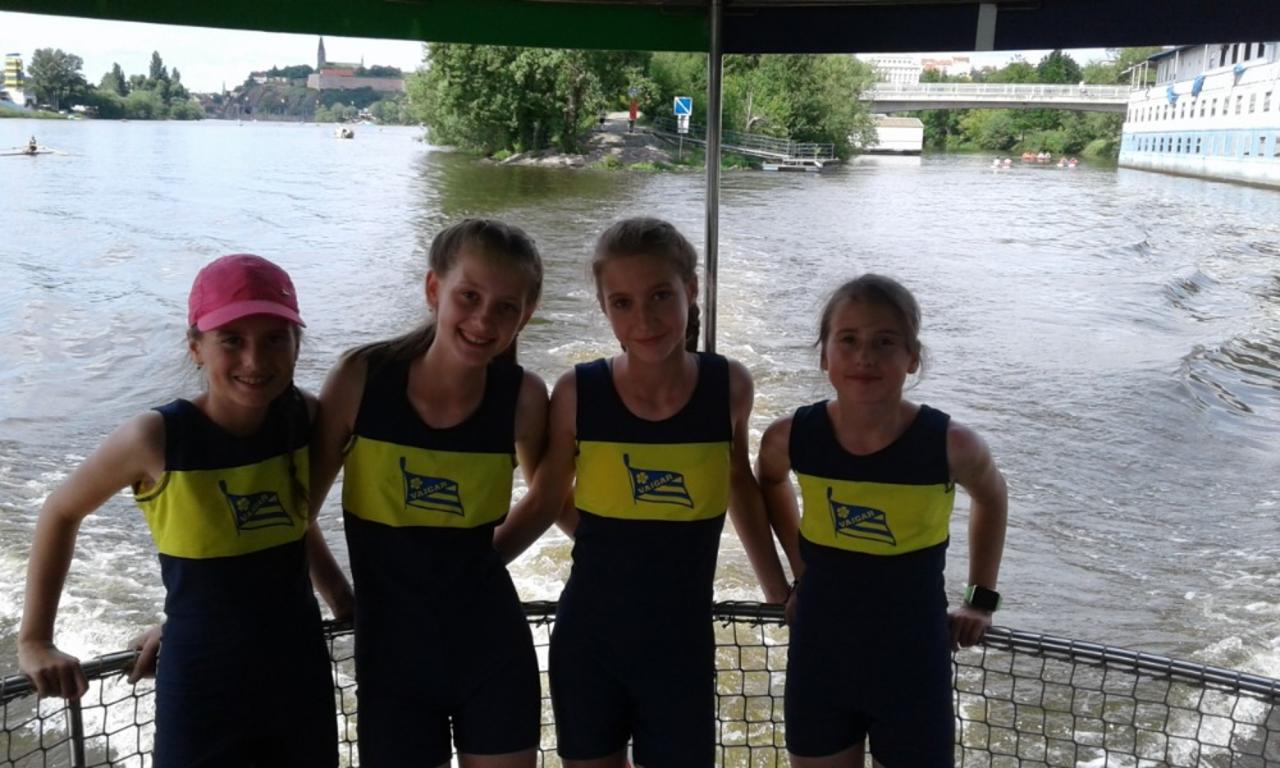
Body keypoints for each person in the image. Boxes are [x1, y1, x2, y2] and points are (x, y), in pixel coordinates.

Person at [18, 254, 351, 768]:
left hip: (299, 675)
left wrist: (345, 603)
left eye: (275, 339)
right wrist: (37, 640)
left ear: (296, 345)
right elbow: (60, 512)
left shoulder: (304, 418)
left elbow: (292, 522)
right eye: (232, 340)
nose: (255, 361)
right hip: (201, 685)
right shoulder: (155, 438)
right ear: (195, 346)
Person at [529, 217, 791, 767]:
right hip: (589, 643)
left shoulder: (730, 387)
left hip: (681, 646)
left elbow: (738, 483)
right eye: (622, 303)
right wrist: (478, 568)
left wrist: (779, 589)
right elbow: (545, 497)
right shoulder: (578, 392)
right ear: (604, 309)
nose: (643, 319)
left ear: (691, 291)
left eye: (660, 296)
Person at [310, 218, 550, 767]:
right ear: (434, 289)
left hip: (493, 649)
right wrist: (340, 597)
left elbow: (546, 498)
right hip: (390, 659)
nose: (484, 319)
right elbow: (295, 511)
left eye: (506, 307)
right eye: (469, 296)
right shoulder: (361, 379)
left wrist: (486, 560)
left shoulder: (524, 398)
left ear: (526, 315)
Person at [756, 274, 1008, 768]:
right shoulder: (792, 437)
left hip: (913, 668)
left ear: (912, 357)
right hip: (819, 662)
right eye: (848, 340)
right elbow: (769, 480)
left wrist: (980, 600)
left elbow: (993, 498)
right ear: (824, 355)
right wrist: (799, 572)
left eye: (885, 342)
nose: (865, 356)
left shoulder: (951, 446)